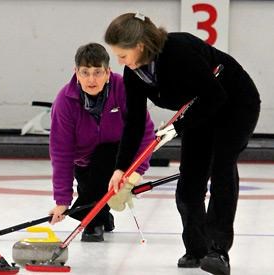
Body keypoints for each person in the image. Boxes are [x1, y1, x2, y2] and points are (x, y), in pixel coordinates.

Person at [104, 12, 260, 275]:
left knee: (222, 165)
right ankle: (197, 248)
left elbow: (215, 96)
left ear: (139, 46)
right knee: (190, 179)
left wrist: (176, 127)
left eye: (122, 54)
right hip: (200, 112)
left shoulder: (179, 52)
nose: (119, 61)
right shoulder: (134, 73)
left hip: (235, 105)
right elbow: (134, 124)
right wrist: (121, 168)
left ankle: (218, 250)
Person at [48, 43, 155, 242]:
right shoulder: (64, 102)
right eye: (85, 72)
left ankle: (90, 219)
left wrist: (136, 171)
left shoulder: (122, 88)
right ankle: (101, 215)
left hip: (117, 158)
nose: (91, 79)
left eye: (98, 72)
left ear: (108, 72)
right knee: (92, 188)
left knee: (104, 155)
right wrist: (62, 201)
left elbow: (145, 132)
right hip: (84, 165)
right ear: (76, 73)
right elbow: (61, 153)